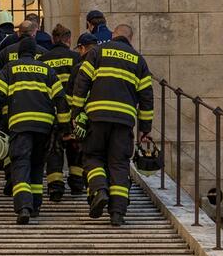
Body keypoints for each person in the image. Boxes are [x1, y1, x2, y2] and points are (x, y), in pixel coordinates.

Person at [71, 24, 153, 227]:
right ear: (130, 38)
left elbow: (82, 81)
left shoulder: (97, 52)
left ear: (113, 35)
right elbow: (146, 97)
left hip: (97, 117)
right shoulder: (138, 60)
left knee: (93, 156)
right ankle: (117, 213)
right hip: (124, 121)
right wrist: (145, 128)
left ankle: (100, 190)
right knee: (119, 164)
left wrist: (77, 111)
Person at [0, 37, 70, 224]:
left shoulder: (9, 69)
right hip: (44, 126)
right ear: (36, 53)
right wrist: (64, 126)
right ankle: (36, 205)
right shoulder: (47, 70)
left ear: (19, 51)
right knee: (38, 164)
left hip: (19, 124)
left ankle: (24, 206)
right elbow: (60, 99)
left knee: (21, 163)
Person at [39, 24, 81, 201]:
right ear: (69, 39)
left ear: (53, 39)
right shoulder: (76, 58)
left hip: (51, 112)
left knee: (54, 150)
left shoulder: (43, 60)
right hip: (73, 111)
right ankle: (77, 184)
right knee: (75, 147)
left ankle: (55, 187)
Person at [65, 33, 98, 195]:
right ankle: (94, 190)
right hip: (100, 117)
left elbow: (72, 95)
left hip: (83, 118)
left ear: (82, 48)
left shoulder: (79, 67)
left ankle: (84, 187)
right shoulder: (104, 65)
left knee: (85, 154)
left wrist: (74, 117)